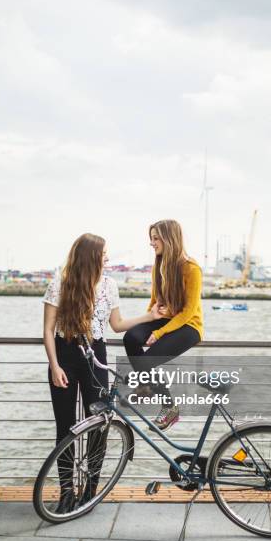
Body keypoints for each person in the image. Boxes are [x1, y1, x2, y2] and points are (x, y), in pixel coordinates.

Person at [43, 232, 162, 513]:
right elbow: (48, 329)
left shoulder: (109, 285)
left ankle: (91, 491)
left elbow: (117, 325)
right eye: (104, 253)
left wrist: (151, 317)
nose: (108, 257)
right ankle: (66, 493)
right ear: (90, 255)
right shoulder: (60, 283)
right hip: (64, 355)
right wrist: (55, 365)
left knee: (98, 424)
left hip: (95, 356)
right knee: (65, 428)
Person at [123, 219, 203, 431]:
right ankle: (145, 386)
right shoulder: (158, 265)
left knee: (148, 361)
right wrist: (148, 319)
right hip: (163, 319)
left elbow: (188, 312)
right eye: (151, 238)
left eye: (156, 238)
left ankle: (169, 407)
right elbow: (154, 301)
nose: (152, 242)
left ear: (170, 239)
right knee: (130, 337)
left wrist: (159, 333)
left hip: (189, 326)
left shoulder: (191, 269)